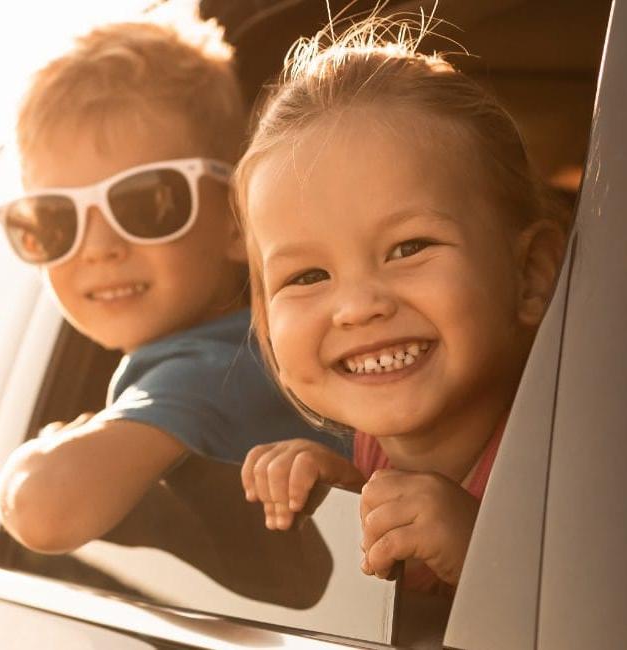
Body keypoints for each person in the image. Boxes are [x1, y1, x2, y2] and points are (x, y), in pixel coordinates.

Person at [0, 5, 347, 555]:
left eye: (146, 203)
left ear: (237, 218)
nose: (99, 247)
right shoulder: (237, 357)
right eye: (55, 220)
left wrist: (30, 455)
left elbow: (48, 510)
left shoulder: (210, 368)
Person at [235, 15, 570, 596]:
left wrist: (486, 561)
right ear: (265, 326)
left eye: (408, 247)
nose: (358, 306)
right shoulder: (368, 451)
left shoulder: (581, 463)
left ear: (531, 274)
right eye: (308, 275)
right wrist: (344, 498)